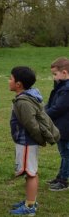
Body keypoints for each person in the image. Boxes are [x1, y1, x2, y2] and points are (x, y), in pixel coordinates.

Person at [9, 66, 42, 215]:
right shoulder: (24, 98)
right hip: (24, 141)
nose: (8, 81)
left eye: (11, 78)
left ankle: (30, 207)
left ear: (18, 84)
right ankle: (30, 200)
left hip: (27, 142)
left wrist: (38, 139)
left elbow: (31, 124)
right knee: (30, 172)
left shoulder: (24, 101)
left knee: (30, 173)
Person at [45, 57, 69, 191]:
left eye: (55, 74)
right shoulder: (62, 86)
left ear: (64, 73)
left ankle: (63, 180)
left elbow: (58, 108)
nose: (53, 77)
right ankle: (60, 176)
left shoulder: (67, 89)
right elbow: (52, 102)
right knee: (64, 153)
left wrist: (43, 115)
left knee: (66, 154)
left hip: (65, 128)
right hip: (61, 126)